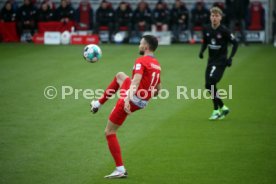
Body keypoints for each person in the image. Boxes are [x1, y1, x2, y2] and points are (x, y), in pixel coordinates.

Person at [90, 35, 161, 178]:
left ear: (146, 47)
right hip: (141, 100)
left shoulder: (141, 61)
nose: (139, 45)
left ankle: (120, 169)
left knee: (109, 132)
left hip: (131, 99)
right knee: (120, 76)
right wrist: (144, 100)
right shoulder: (157, 64)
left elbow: (135, 81)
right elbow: (158, 89)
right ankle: (98, 103)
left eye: (141, 43)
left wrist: (127, 100)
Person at [198, 7, 238, 120]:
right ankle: (221, 108)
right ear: (210, 17)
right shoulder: (206, 29)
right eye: (212, 16)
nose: (214, 18)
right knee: (209, 85)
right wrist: (202, 51)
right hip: (210, 61)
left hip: (221, 62)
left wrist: (230, 58)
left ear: (220, 17)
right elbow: (205, 41)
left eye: (216, 16)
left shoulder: (224, 31)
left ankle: (217, 109)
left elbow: (235, 43)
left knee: (210, 83)